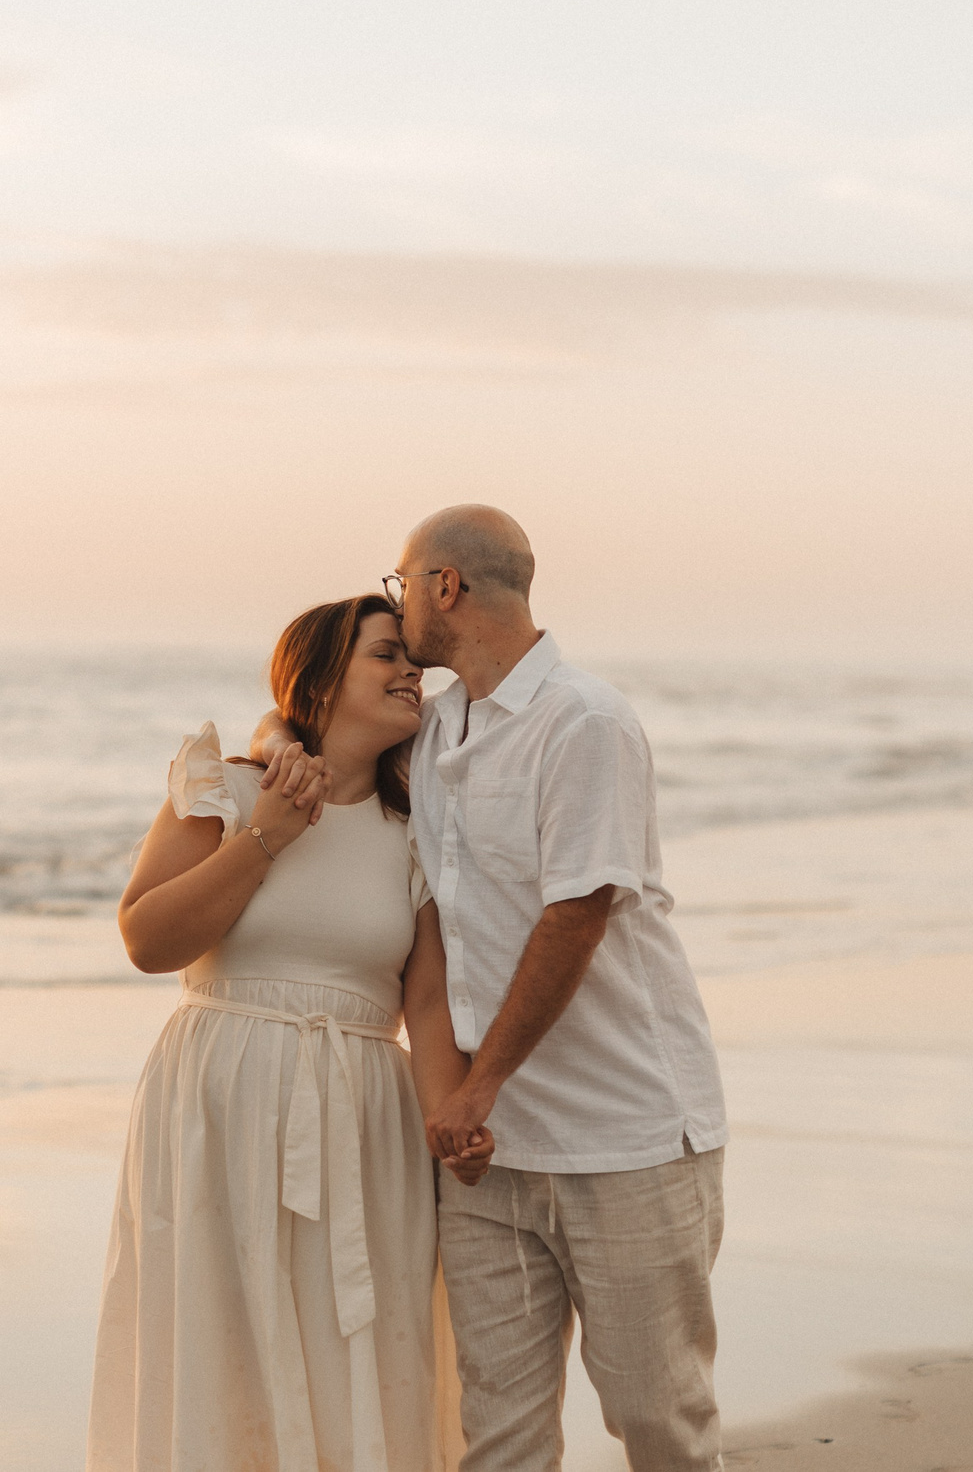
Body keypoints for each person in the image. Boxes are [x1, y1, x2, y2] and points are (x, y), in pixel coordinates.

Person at [255, 507, 730, 1472]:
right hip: (491, 1161)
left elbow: (577, 916)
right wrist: (274, 737)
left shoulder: (584, 721)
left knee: (658, 1422)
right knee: (498, 1440)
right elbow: (320, 726)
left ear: (444, 586)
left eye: (400, 584)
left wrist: (477, 1085)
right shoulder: (434, 733)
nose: (399, 608)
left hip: (625, 1137)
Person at [88, 594, 491, 1472]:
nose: (409, 674)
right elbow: (147, 939)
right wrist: (266, 834)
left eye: (410, 660)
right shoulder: (225, 788)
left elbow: (424, 1005)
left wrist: (452, 1119)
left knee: (361, 1339)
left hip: (360, 1118)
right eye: (385, 655)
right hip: (218, 1101)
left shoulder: (414, 832)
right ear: (317, 677)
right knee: (219, 1343)